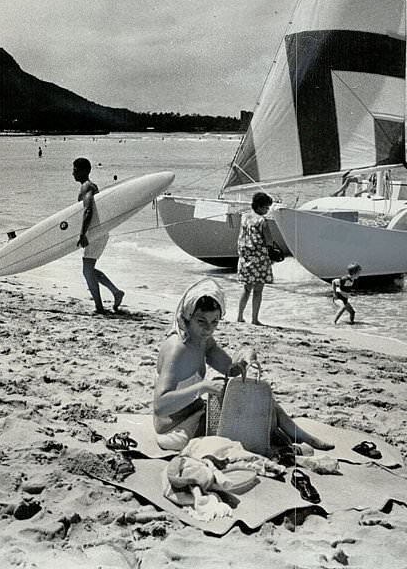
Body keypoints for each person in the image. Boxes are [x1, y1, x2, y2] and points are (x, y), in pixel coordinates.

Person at [153, 278, 333, 452]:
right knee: (252, 421)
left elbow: (231, 370)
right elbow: (160, 406)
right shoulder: (177, 349)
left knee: (262, 404)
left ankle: (301, 437)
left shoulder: (202, 340)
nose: (208, 329)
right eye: (201, 321)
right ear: (187, 317)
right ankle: (294, 438)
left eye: (214, 322)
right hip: (175, 426)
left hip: (195, 410)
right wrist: (203, 387)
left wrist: (246, 356)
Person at [73, 157, 124, 315]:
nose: (72, 173)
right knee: (89, 270)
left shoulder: (87, 187)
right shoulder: (89, 186)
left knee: (87, 271)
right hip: (97, 232)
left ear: (84, 171)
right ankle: (116, 292)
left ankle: (100, 307)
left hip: (95, 233)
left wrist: (82, 233)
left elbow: (88, 210)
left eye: (75, 169)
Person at [237, 191, 274, 325]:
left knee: (246, 289)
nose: (267, 210)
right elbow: (269, 240)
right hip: (259, 259)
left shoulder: (244, 217)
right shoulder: (262, 220)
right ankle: (254, 319)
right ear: (259, 207)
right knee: (258, 290)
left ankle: (240, 316)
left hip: (245, 257)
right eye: (266, 207)